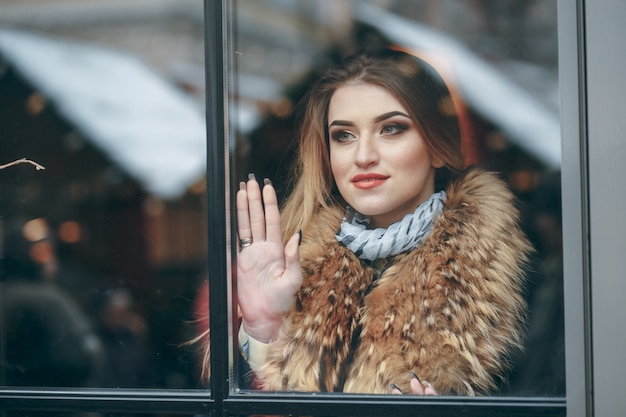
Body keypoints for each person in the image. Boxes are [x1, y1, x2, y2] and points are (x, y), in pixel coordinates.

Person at [214, 48, 531, 396]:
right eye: (344, 136)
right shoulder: (300, 265)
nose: (363, 156)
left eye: (391, 129)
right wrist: (263, 329)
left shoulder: (501, 271)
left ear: (439, 147)